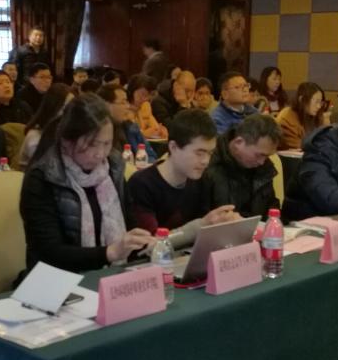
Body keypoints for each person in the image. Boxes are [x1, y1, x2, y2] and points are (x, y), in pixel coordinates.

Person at [20, 94, 154, 272]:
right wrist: (109, 253)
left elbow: (130, 223)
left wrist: (142, 243)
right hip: (56, 278)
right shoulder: (42, 177)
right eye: (91, 145)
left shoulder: (113, 168)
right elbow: (49, 252)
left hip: (108, 274)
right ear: (67, 142)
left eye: (107, 144)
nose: (100, 154)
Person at [127, 109, 239, 245]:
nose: (206, 161)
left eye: (210, 153)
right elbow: (148, 244)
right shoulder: (142, 184)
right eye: (199, 153)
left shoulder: (202, 179)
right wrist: (201, 225)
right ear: (173, 147)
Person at [203, 114, 281, 218]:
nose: (262, 162)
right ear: (238, 142)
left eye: (267, 156)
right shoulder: (207, 166)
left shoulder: (264, 167)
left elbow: (272, 208)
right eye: (259, 155)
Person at [18, 83, 71, 170]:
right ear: (53, 107)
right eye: (66, 107)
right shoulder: (35, 138)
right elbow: (50, 168)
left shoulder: (66, 133)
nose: (72, 112)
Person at [99, 82, 157, 162]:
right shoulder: (100, 134)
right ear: (107, 105)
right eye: (123, 102)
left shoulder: (132, 127)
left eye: (127, 102)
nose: (128, 106)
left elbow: (151, 155)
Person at [276, 82, 328, 151]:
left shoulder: (317, 116)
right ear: (301, 99)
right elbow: (299, 146)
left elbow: (325, 142)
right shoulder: (287, 118)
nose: (319, 106)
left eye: (321, 102)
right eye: (316, 102)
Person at [127, 74, 167, 142]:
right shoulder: (123, 108)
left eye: (148, 95)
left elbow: (155, 127)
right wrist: (144, 134)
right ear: (132, 91)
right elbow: (127, 134)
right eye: (142, 94)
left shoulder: (145, 106)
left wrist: (160, 131)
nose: (145, 99)